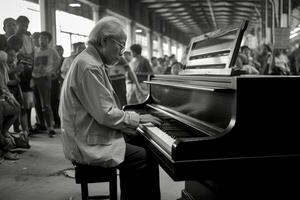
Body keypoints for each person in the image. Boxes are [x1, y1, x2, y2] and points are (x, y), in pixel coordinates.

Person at [59, 16, 162, 200]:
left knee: (145, 144)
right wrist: (137, 118)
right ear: (104, 40)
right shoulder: (89, 66)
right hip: (85, 143)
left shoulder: (90, 60)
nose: (122, 53)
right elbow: (105, 114)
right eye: (120, 46)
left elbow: (104, 109)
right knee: (143, 156)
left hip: (87, 132)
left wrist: (131, 120)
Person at [32, 31, 60, 137]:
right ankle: (41, 124)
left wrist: (52, 72)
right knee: (37, 104)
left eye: (44, 38)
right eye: (40, 38)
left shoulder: (52, 51)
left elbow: (58, 61)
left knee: (46, 105)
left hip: (44, 79)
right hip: (34, 78)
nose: (42, 40)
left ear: (48, 40)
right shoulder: (36, 51)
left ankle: (50, 127)